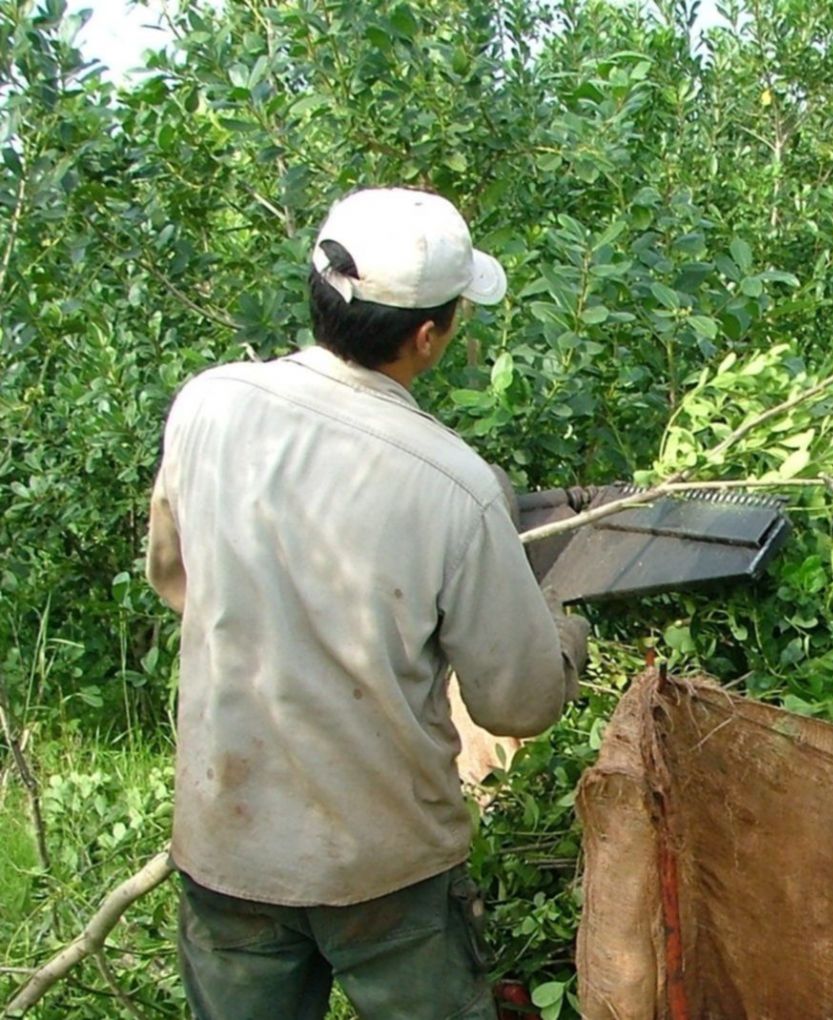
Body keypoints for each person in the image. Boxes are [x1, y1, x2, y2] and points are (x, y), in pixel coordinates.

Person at [146, 187, 590, 1020]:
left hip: (228, 838)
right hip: (385, 867)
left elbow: (177, 578)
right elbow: (517, 703)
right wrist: (565, 635)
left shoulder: (206, 405)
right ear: (428, 335)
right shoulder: (455, 485)